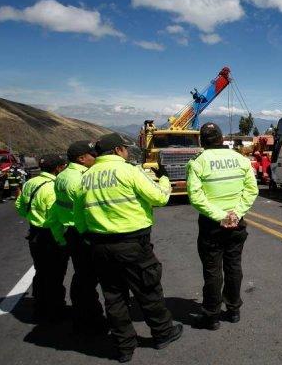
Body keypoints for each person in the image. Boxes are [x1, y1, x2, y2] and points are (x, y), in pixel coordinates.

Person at [74, 133, 182, 362]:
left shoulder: (86, 177)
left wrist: (89, 237)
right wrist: (163, 179)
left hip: (100, 245)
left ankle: (124, 347)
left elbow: (79, 216)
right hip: (133, 244)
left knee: (114, 296)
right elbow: (159, 198)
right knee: (148, 289)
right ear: (117, 151)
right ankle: (163, 333)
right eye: (124, 148)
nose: (126, 152)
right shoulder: (129, 171)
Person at [186, 123, 259, 330]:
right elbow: (251, 190)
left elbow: (196, 197)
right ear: (222, 138)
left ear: (202, 141)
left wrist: (220, 216)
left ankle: (211, 316)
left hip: (212, 226)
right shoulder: (241, 159)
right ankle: (234, 310)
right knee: (233, 266)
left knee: (212, 270)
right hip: (236, 223)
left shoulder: (198, 163)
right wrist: (235, 213)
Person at [54, 140, 106, 334]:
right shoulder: (80, 179)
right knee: (87, 280)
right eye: (92, 155)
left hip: (70, 231)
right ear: (82, 158)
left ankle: (84, 317)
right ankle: (90, 321)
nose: (96, 157)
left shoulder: (62, 176)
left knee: (82, 277)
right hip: (82, 232)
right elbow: (85, 209)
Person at [15, 154, 68, 322]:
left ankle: (40, 306)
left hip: (34, 234)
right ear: (59, 168)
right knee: (55, 275)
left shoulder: (30, 183)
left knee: (41, 271)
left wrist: (32, 217)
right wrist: (61, 240)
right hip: (50, 236)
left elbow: (19, 205)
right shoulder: (53, 187)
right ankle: (55, 310)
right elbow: (54, 218)